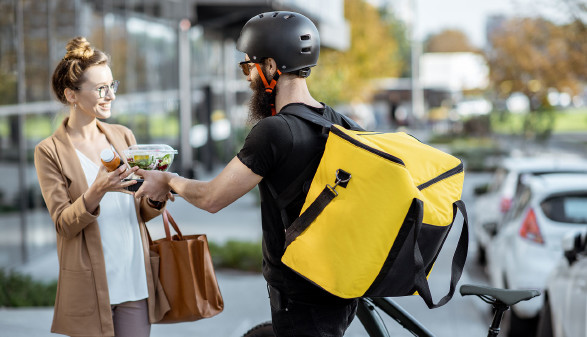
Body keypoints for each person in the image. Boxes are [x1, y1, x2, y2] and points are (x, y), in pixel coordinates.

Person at [135, 11, 361, 337]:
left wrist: (168, 180)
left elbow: (212, 198)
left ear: (271, 66)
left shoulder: (275, 131)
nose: (246, 77)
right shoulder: (340, 122)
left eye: (248, 66)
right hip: (338, 282)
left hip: (300, 293)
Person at [34, 36, 170, 337]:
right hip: (89, 287)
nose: (110, 95)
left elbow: (139, 212)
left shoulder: (123, 136)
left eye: (113, 86)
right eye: (100, 88)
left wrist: (156, 199)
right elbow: (64, 225)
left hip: (135, 278)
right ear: (71, 94)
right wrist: (98, 189)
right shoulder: (50, 151)